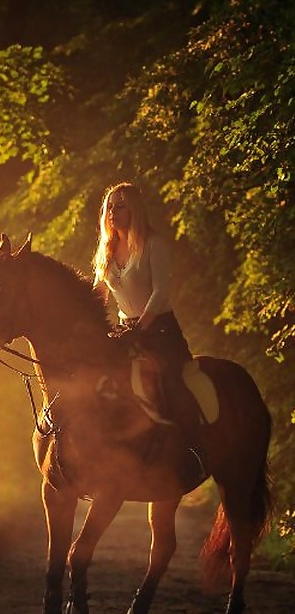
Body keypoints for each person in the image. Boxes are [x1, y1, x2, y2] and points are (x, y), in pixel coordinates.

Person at [92, 181, 198, 452]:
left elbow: (161, 291)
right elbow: (98, 295)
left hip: (159, 330)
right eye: (109, 207)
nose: (113, 213)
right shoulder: (107, 251)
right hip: (126, 332)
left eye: (120, 207)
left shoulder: (153, 245)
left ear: (135, 210)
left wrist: (140, 328)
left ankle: (190, 447)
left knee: (172, 383)